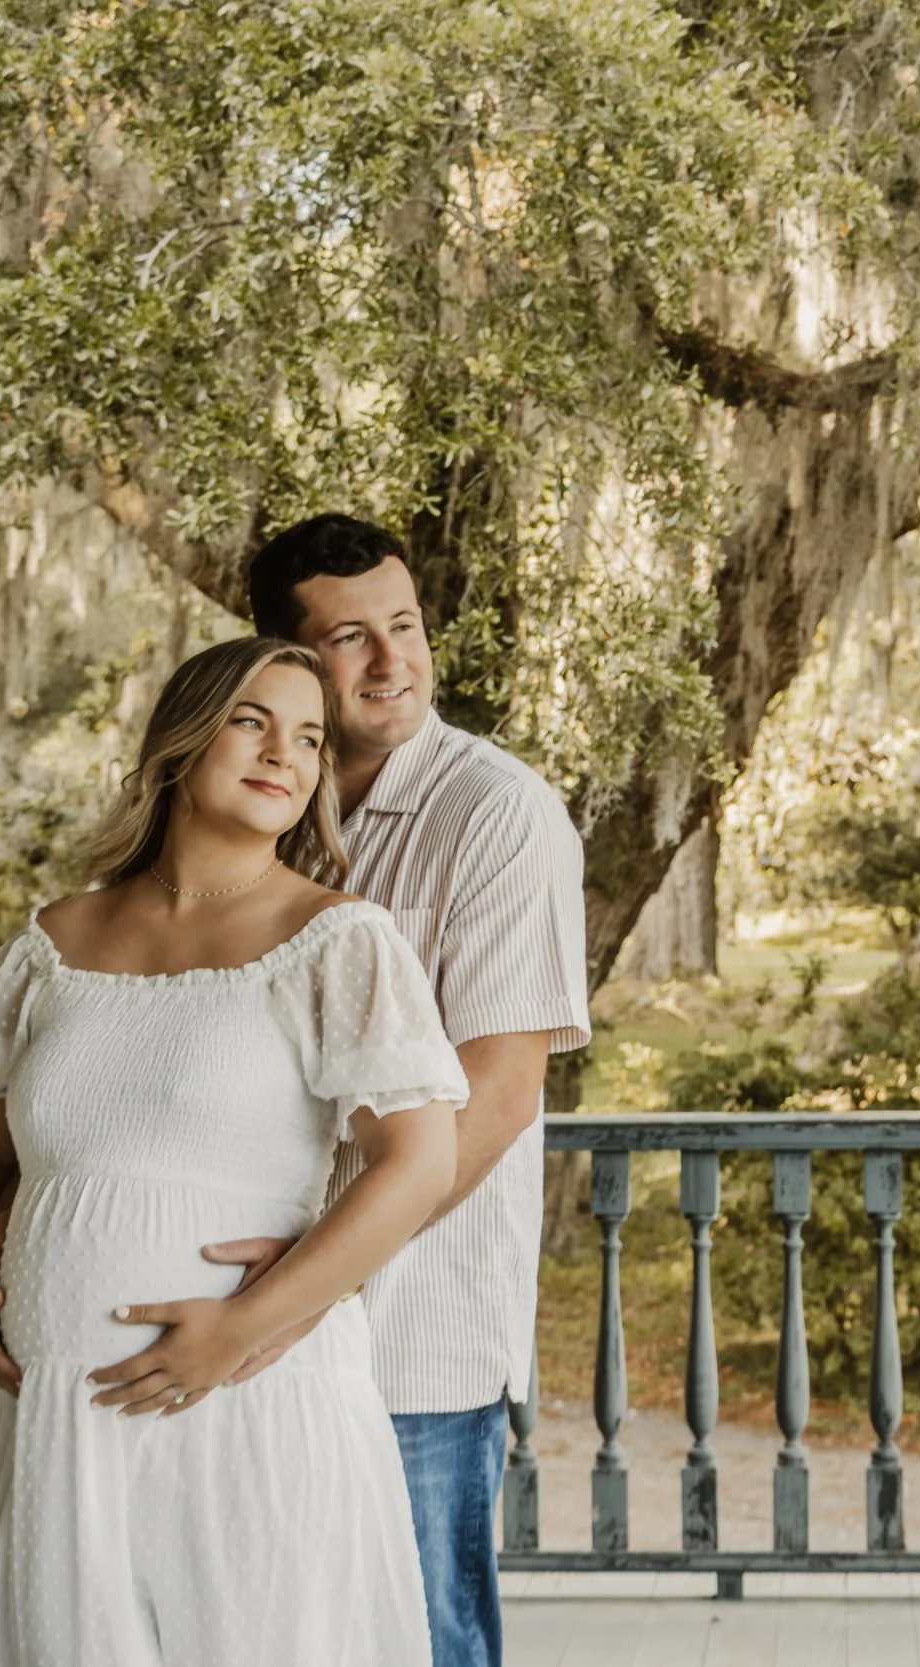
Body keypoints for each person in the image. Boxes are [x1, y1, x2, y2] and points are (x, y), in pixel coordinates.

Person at [0, 636, 467, 1667]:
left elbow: (418, 1162)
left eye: (309, 736)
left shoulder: (340, 940)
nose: (285, 754)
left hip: (251, 1403)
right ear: (181, 739)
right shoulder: (54, 938)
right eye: (252, 721)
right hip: (62, 1422)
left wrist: (241, 1328)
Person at [218, 514, 591, 1667]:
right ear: (286, 661)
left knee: (421, 1635)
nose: (392, 662)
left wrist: (314, 1273)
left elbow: (497, 1094)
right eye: (349, 638)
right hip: (246, 1310)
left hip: (406, 1337)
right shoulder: (260, 807)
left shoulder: (496, 814)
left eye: (406, 625)